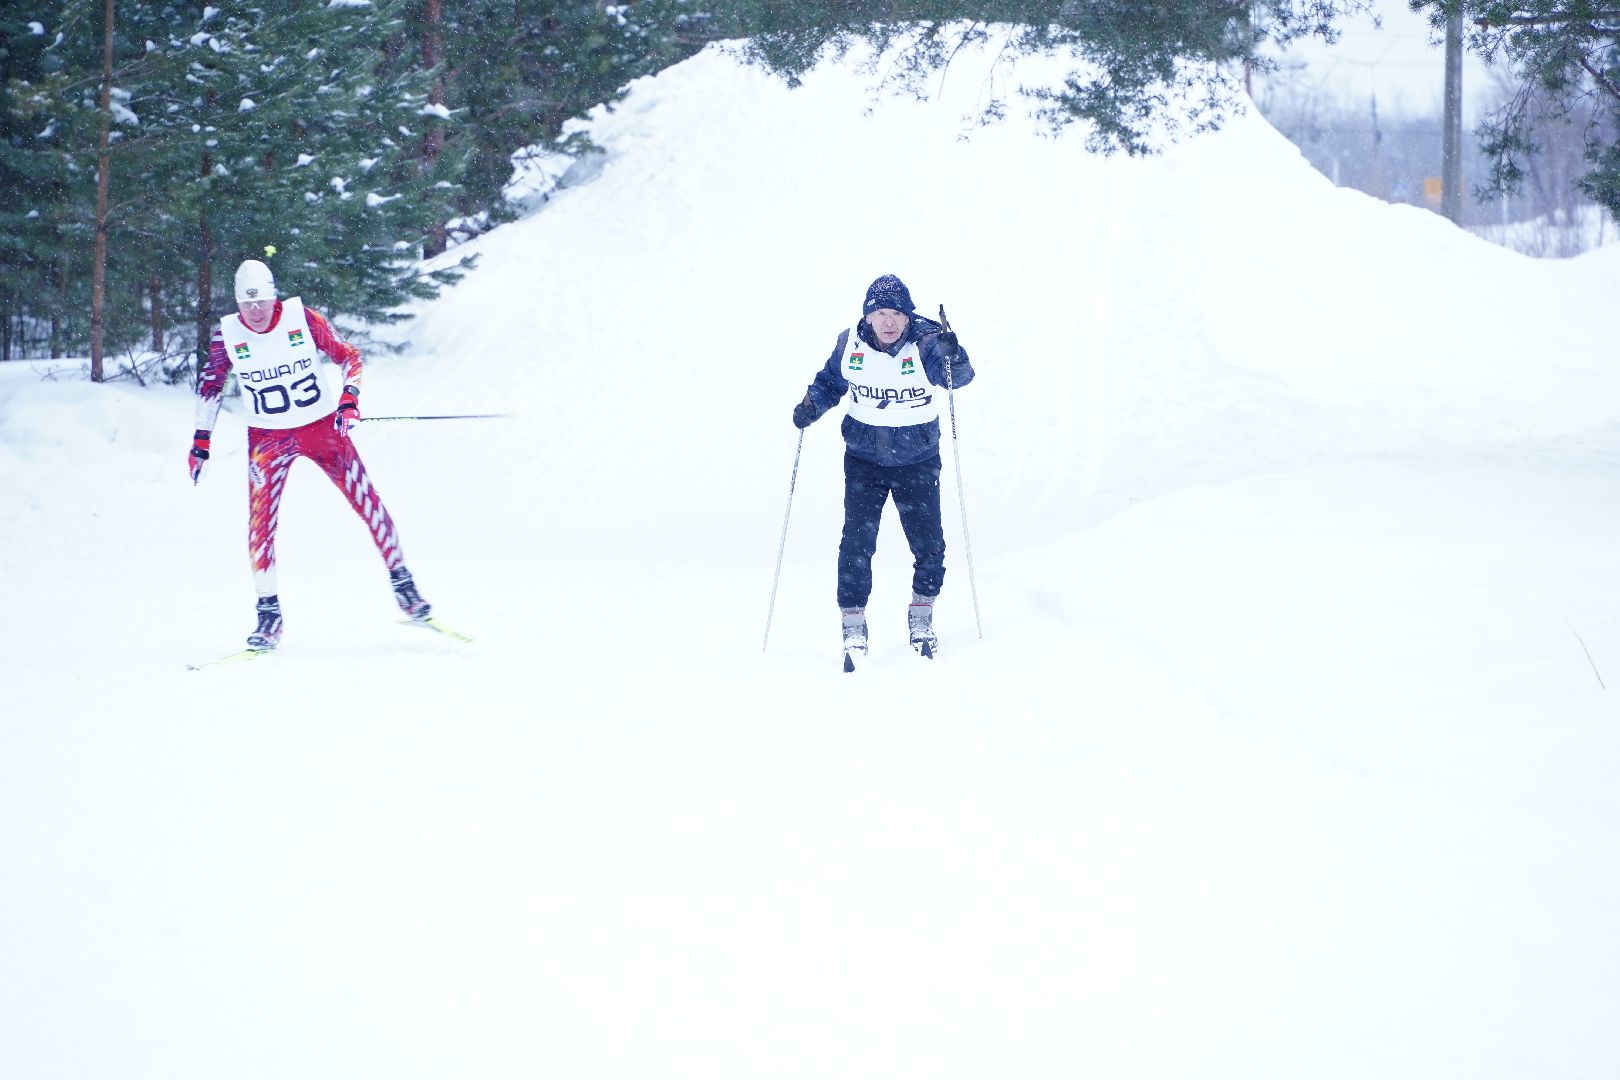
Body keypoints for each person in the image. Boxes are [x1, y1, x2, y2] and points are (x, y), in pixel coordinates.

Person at [187, 258, 431, 649]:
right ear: (236, 303)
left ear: (274, 296)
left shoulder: (303, 318)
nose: (255, 312)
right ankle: (269, 615)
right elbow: (210, 388)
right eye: (247, 305)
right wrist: (201, 443)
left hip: (321, 429)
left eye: (262, 303)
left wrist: (349, 398)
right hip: (268, 438)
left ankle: (404, 585)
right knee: (260, 524)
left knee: (367, 501)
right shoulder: (227, 335)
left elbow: (349, 355)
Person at [791, 273, 974, 662]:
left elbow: (959, 378)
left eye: (897, 313)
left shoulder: (925, 343)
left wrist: (953, 353)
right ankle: (853, 627)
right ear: (868, 317)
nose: (889, 321)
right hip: (864, 461)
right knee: (856, 544)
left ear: (908, 317)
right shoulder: (850, 343)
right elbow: (830, 382)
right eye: (880, 313)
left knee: (929, 545)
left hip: (917, 461)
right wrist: (811, 406)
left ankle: (922, 618)